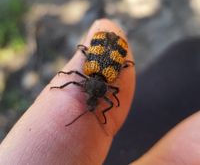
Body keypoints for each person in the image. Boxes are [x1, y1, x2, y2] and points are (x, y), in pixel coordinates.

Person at [0, 19, 200, 165]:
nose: (92, 100)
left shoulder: (99, 76)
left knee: (186, 53)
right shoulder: (102, 77)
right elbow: (101, 96)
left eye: (90, 97)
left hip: (107, 46)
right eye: (95, 100)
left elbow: (76, 80)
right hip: (108, 47)